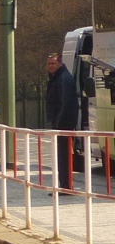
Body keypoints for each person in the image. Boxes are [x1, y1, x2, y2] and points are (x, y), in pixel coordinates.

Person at [45, 52, 78, 191]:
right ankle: (64, 185)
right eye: (48, 64)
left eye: (53, 63)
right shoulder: (57, 77)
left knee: (63, 155)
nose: (50, 66)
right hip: (61, 122)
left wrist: (57, 122)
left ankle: (66, 186)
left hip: (64, 123)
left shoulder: (63, 78)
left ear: (60, 63)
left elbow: (64, 102)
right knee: (61, 155)